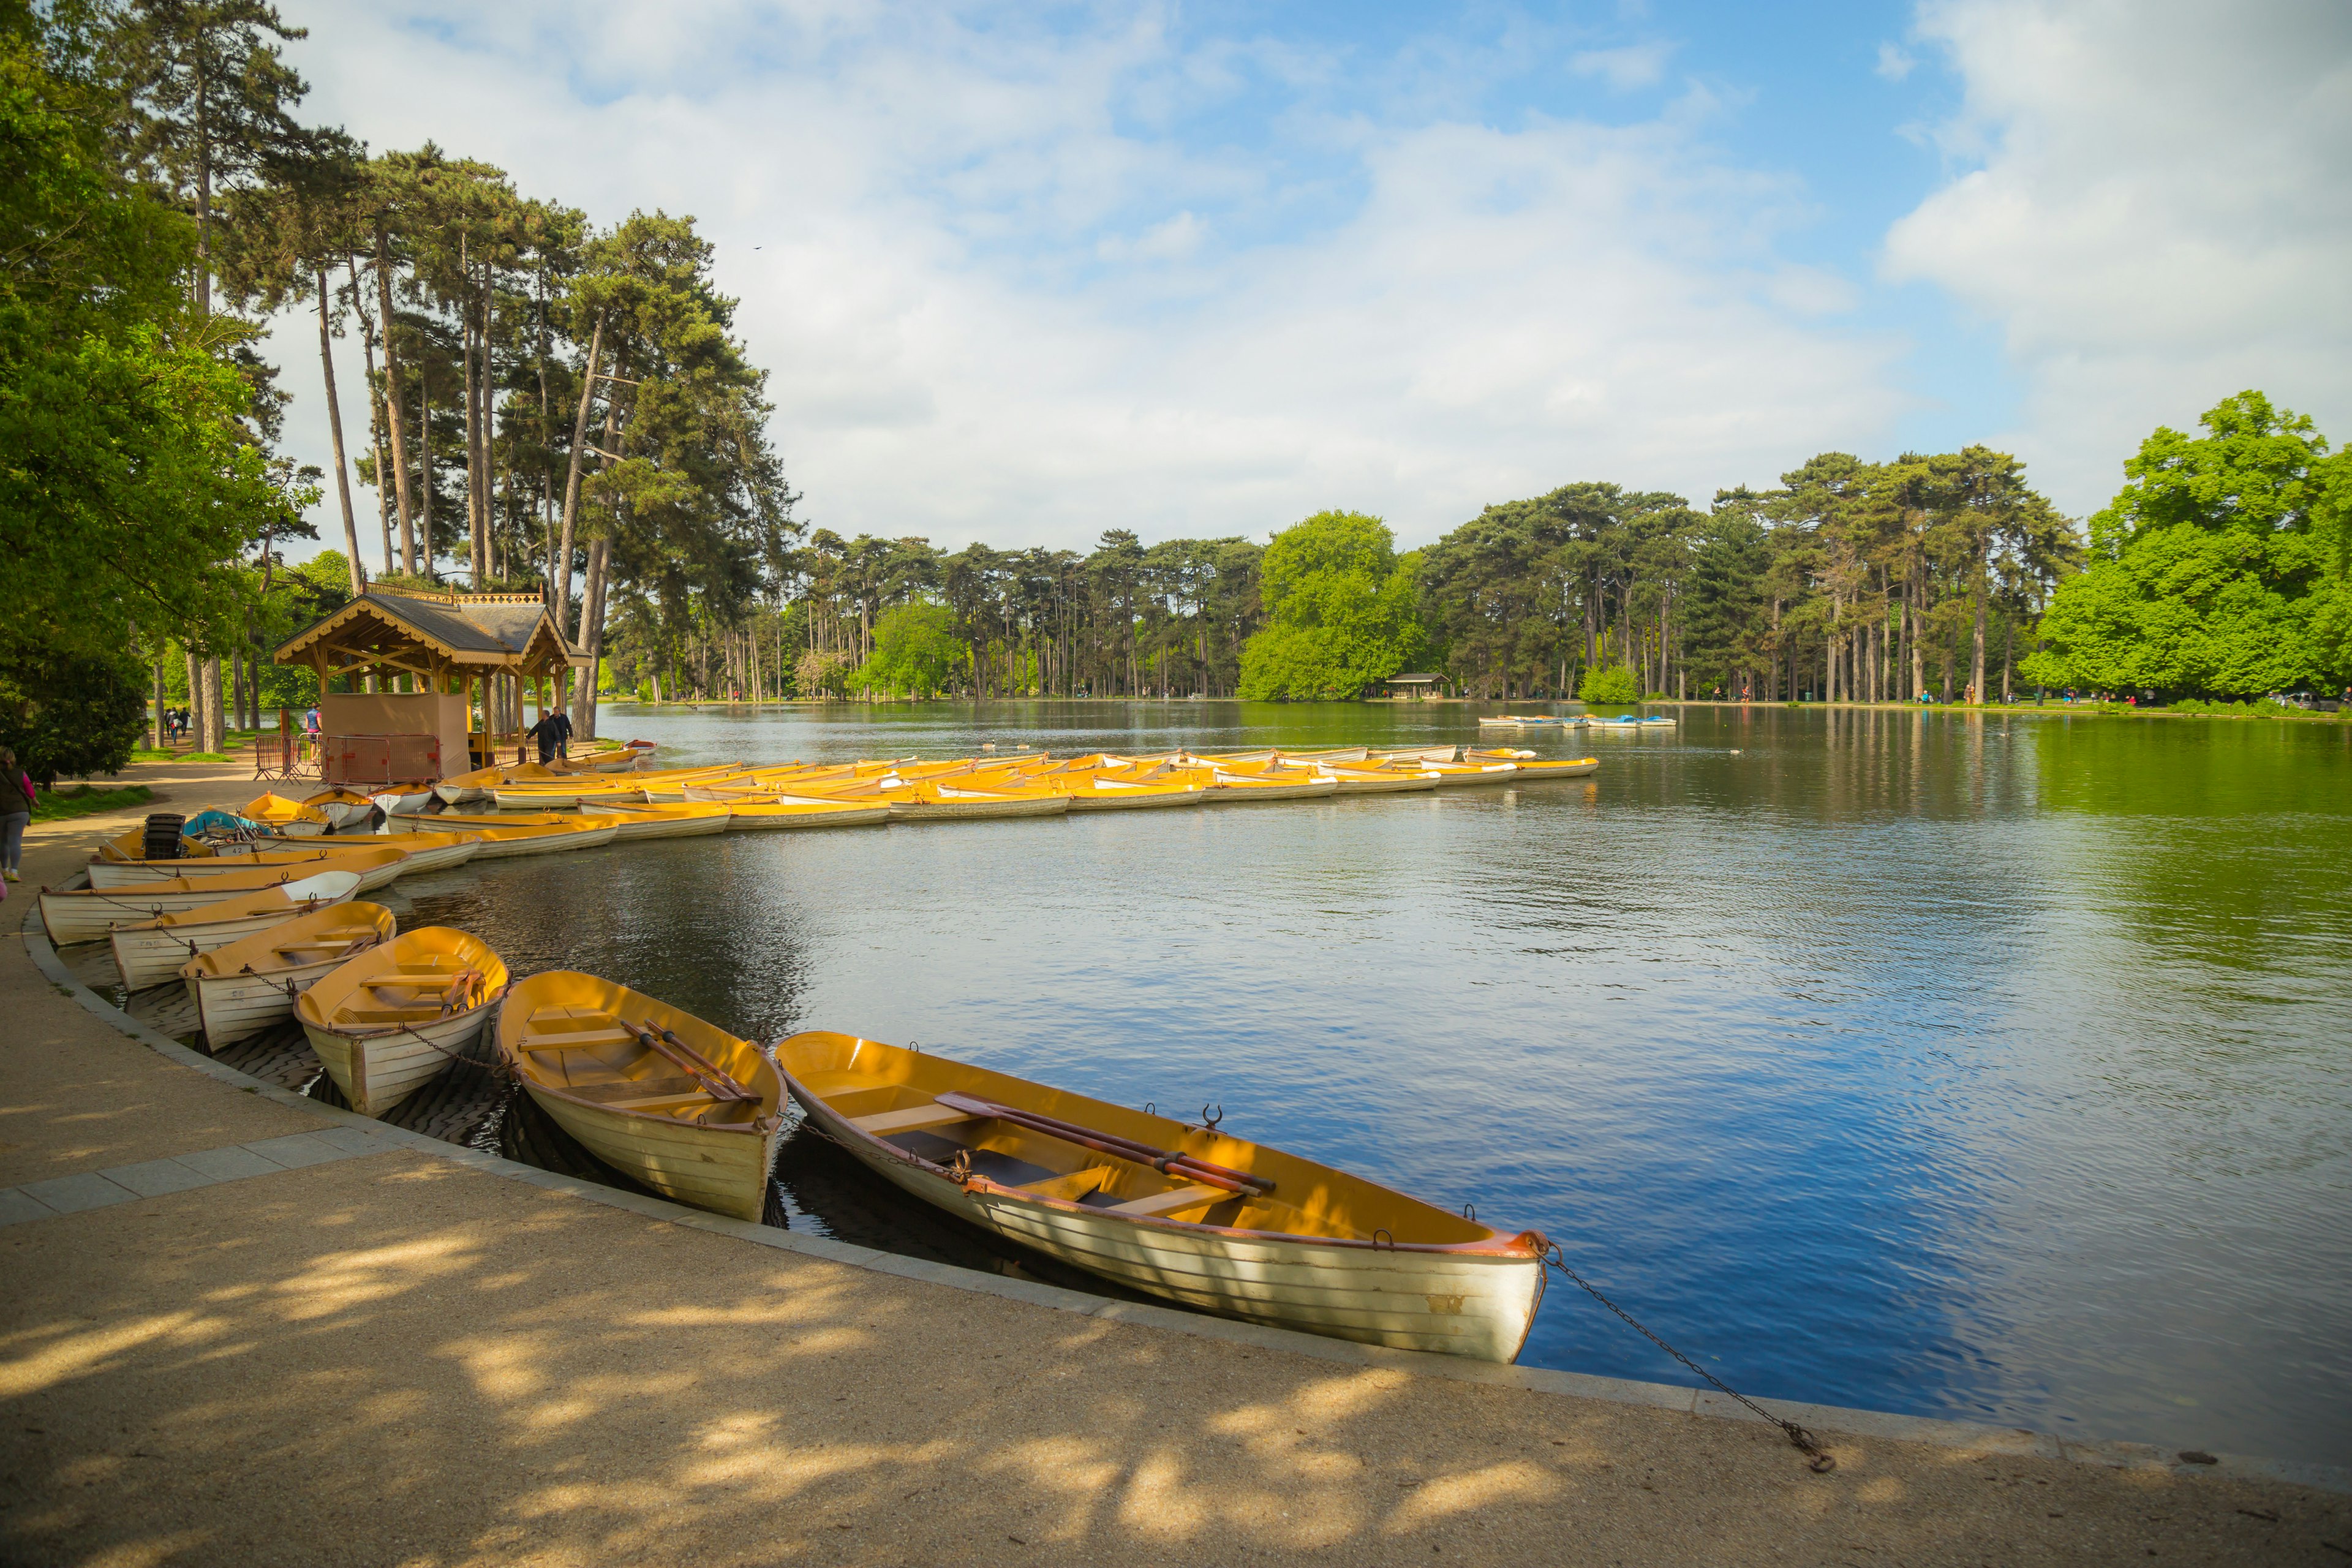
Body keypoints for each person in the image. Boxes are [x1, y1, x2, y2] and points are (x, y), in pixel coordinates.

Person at [0, 745, 32, 883]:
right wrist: (35, 801)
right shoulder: (21, 773)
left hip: (1, 811)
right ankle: (14, 871)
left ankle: (5, 870)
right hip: (20, 810)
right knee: (15, 841)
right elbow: (29, 790)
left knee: (2, 842)